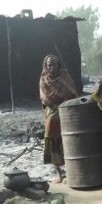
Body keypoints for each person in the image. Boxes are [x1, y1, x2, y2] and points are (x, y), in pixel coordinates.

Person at [38, 54, 78, 183]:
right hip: (52, 111)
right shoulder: (44, 80)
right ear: (46, 66)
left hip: (67, 108)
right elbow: (45, 98)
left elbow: (71, 93)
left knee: (70, 138)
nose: (51, 67)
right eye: (49, 65)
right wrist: (57, 104)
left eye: (54, 64)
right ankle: (58, 171)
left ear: (58, 65)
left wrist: (64, 103)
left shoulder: (64, 77)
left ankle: (72, 170)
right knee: (52, 138)